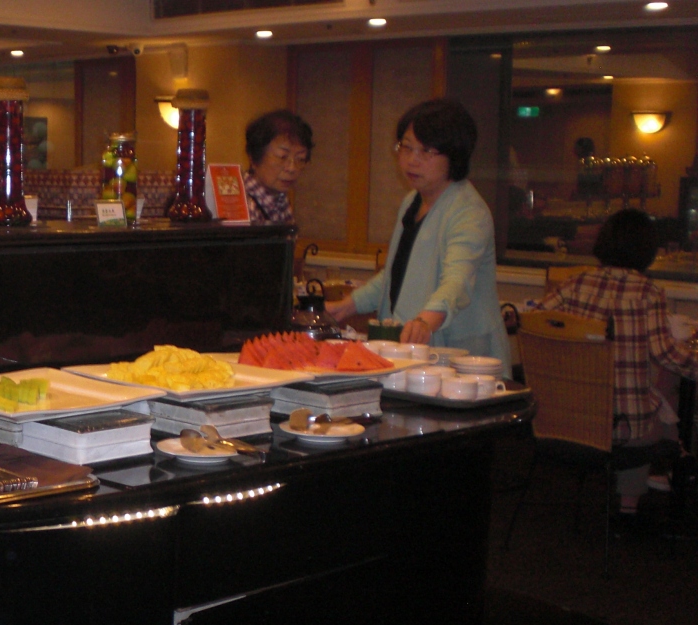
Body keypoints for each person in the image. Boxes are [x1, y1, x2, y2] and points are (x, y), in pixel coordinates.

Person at [535, 209, 698, 515]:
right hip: (621, 430)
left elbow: (535, 320)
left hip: (566, 420)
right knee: (652, 406)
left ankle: (675, 460)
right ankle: (634, 500)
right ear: (647, 249)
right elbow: (666, 354)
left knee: (648, 402)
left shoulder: (576, 283)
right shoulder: (648, 293)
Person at [327, 98, 510, 368]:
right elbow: (395, 276)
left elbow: (457, 282)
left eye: (426, 151)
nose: (412, 160)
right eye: (406, 147)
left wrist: (425, 321)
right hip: (416, 351)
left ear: (454, 155)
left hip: (466, 358)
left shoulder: (468, 212)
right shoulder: (412, 202)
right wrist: (345, 307)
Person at [243, 110, 312, 224]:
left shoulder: (280, 199)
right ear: (254, 158)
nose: (292, 168)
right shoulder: (241, 205)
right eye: (282, 157)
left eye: (300, 159)